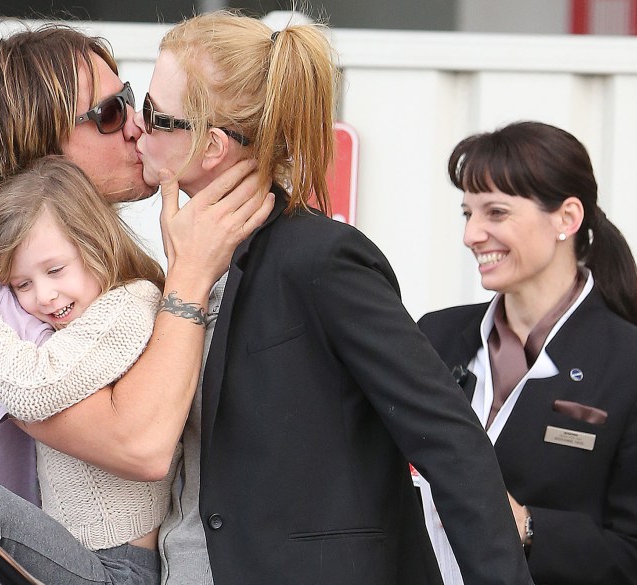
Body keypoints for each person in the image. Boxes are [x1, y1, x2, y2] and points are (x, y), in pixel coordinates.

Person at [129, 10, 532, 585]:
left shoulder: (321, 259)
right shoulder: (186, 259)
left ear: (210, 146)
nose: (136, 131)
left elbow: (448, 437)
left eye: (152, 114)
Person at [0, 22, 271, 503]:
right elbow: (140, 448)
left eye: (128, 98)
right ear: (39, 146)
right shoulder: (18, 303)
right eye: (110, 114)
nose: (137, 124)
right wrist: (190, 276)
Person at [0, 156, 175, 584]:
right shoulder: (78, 324)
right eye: (23, 284)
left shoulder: (130, 306)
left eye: (55, 270)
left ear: (96, 242)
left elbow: (36, 386)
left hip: (118, 570)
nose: (44, 295)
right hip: (75, 557)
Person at [417, 121, 637, 585]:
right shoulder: (434, 336)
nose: (472, 235)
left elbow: (633, 556)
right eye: (467, 214)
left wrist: (525, 525)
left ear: (567, 218)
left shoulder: (629, 364)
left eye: (496, 213)